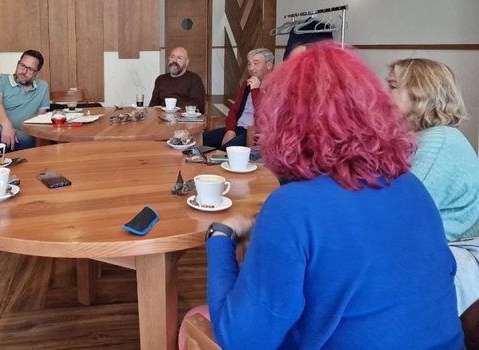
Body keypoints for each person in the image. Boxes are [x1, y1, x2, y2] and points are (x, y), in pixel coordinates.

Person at [198, 43, 463, 349]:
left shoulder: (293, 206)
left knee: (196, 319)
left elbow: (240, 339)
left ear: (282, 120)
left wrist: (219, 237)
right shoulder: (412, 187)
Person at [387, 58, 479, 346]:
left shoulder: (440, 141)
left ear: (420, 94)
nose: (381, 93)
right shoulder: (419, 138)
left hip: (452, 250)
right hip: (423, 241)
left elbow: (399, 215)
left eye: (391, 86)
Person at [203, 48, 273, 149]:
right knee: (202, 139)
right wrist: (230, 130)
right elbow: (234, 110)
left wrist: (255, 90)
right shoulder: (247, 83)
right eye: (249, 64)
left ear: (269, 65)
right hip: (238, 128)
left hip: (254, 132)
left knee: (228, 149)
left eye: (256, 63)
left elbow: (265, 115)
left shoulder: (276, 85)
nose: (251, 68)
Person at [0, 50, 49, 150]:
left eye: (30, 69)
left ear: (37, 73)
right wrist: (7, 126)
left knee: (43, 139)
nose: (24, 71)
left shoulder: (42, 87)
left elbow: (40, 119)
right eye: (22, 65)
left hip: (20, 135)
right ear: (17, 63)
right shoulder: (0, 80)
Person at [148, 47, 205, 113]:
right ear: (168, 59)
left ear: (186, 62)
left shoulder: (194, 79)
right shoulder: (160, 79)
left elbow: (197, 103)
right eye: (172, 57)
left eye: (179, 58)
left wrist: (171, 108)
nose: (174, 60)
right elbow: (153, 104)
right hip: (162, 117)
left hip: (185, 118)